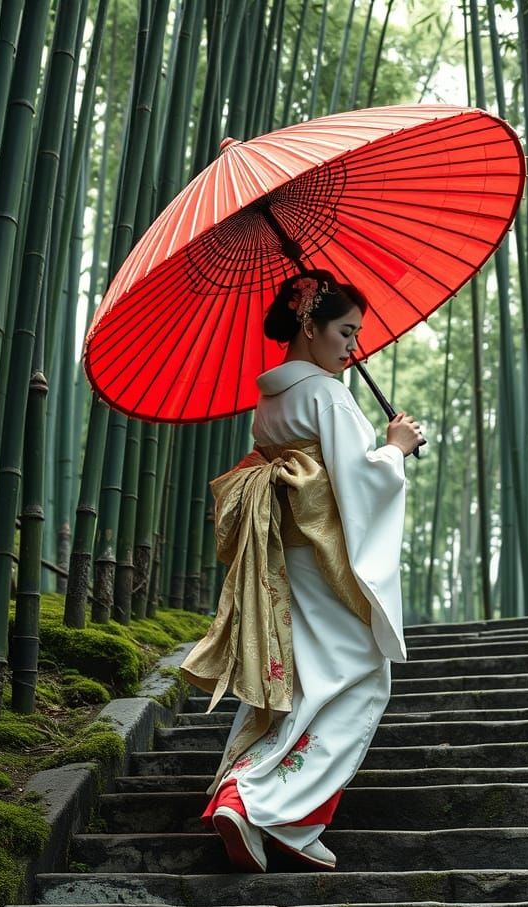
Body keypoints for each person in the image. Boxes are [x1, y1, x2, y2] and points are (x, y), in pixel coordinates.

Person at [180, 269, 424, 872]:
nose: (353, 346)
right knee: (364, 675)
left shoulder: (271, 397)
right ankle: (265, 800)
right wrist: (395, 447)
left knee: (296, 677)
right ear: (310, 326)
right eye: (345, 331)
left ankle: (277, 810)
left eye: (357, 334)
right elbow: (358, 481)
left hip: (288, 550)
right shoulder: (326, 393)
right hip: (321, 550)